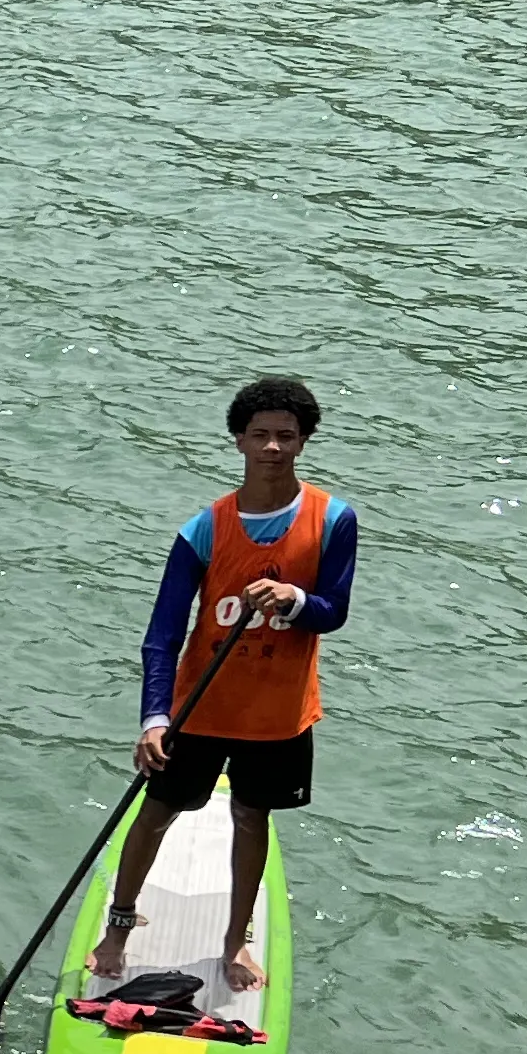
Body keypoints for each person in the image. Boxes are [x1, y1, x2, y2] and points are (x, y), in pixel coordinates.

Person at [91, 375, 358, 994]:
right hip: (201, 705)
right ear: (239, 440)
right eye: (260, 435)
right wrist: (155, 718)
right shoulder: (203, 530)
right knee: (156, 813)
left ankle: (235, 940)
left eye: (286, 436)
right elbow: (162, 635)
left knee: (250, 816)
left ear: (304, 441)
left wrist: (293, 598)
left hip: (278, 712)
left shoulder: (333, 520)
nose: (273, 447)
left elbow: (333, 612)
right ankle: (119, 928)